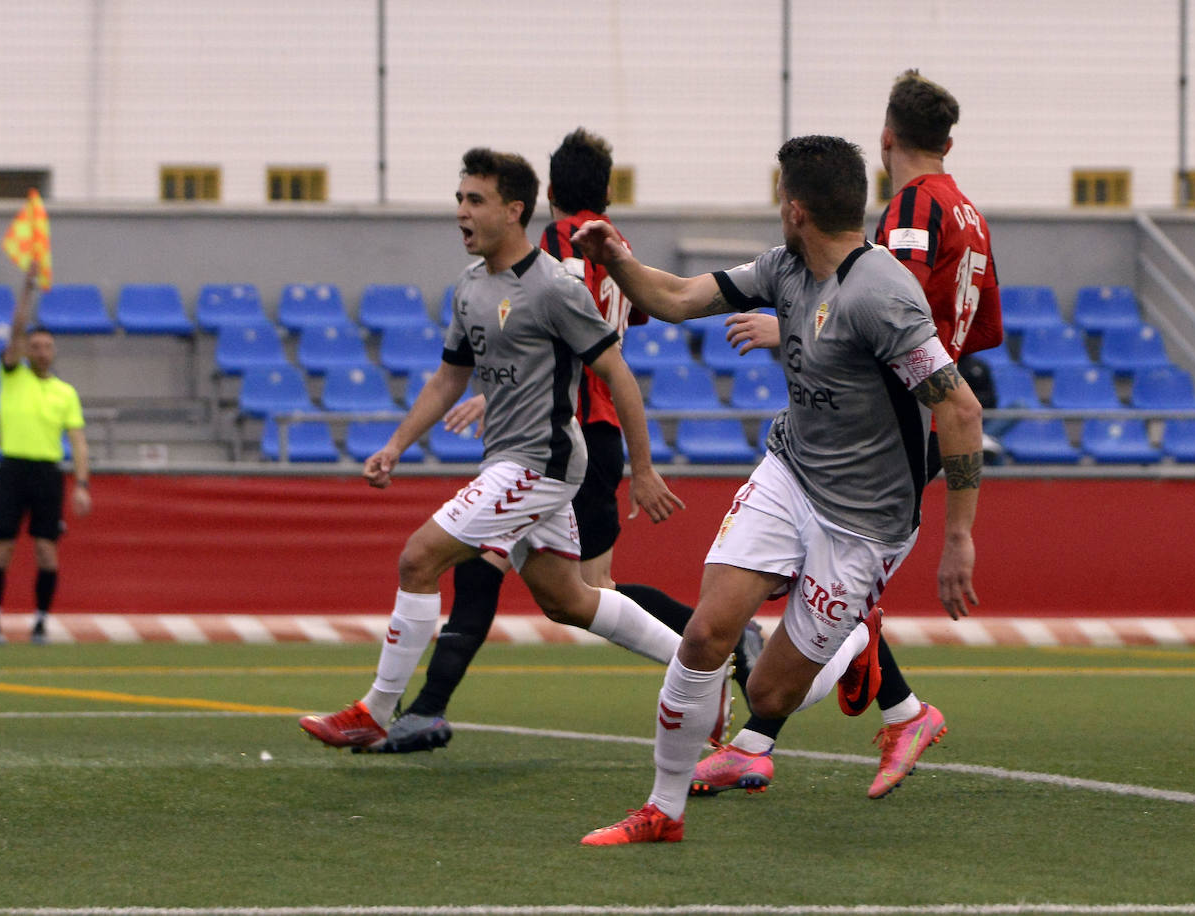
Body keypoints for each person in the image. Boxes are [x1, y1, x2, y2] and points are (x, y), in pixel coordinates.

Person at [571, 134, 983, 844]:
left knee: (768, 692)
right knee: (704, 633)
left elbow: (960, 407)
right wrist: (616, 259)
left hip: (866, 521)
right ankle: (662, 811)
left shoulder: (882, 293)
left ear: (795, 209)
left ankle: (854, 645)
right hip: (791, 474)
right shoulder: (786, 269)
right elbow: (674, 298)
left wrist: (958, 537)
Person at [370, 128, 763, 755]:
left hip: (555, 433)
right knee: (562, 590)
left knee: (503, 577)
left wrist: (507, 386)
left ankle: (710, 644)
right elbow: (625, 318)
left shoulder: (549, 253)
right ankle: (709, 648)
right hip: (591, 432)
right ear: (606, 191)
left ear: (542, 196)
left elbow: (551, 333)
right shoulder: (615, 246)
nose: (466, 213)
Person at [299, 147, 689, 751]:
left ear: (514, 211)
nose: (460, 211)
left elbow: (617, 373)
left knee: (418, 558)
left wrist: (643, 470)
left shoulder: (556, 284)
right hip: (513, 459)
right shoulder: (470, 287)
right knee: (570, 599)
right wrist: (397, 445)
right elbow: (450, 377)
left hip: (542, 462)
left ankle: (377, 710)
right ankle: (698, 665)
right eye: (459, 198)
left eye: (474, 200)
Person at [705, 70, 1003, 801]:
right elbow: (978, 333)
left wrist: (788, 327)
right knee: (838, 588)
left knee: (835, 581)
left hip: (891, 414)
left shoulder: (911, 209)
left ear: (886, 138)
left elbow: (867, 302)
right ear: (949, 141)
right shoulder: (969, 212)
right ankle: (888, 715)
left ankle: (848, 715)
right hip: (932, 400)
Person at [0, 269, 92, 645]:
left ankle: (41, 621)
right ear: (27, 350)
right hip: (13, 467)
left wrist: (81, 484)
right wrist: (26, 291)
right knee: (4, 546)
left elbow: (78, 441)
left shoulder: (65, 392)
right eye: (36, 345)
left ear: (53, 351)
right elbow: (15, 331)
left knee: (46, 550)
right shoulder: (13, 376)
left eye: (47, 346)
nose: (41, 351)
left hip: (47, 472)